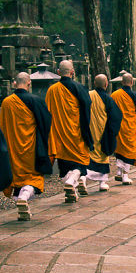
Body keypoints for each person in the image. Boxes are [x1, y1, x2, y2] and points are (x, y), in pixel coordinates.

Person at [0, 72, 52, 220]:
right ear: (29, 83)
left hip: (13, 149)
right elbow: (46, 122)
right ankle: (24, 196)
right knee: (33, 178)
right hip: (31, 148)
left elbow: (2, 126)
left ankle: (22, 203)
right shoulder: (36, 100)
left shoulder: (6, 102)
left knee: (17, 179)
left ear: (14, 83)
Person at [45, 59, 93, 202]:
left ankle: (70, 192)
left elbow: (47, 112)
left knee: (64, 166)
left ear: (58, 72)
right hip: (76, 134)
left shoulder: (52, 90)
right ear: (72, 72)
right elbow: (87, 109)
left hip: (59, 135)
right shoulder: (79, 88)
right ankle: (71, 182)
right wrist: (87, 133)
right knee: (80, 163)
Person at [87, 73, 123, 191]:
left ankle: (82, 180)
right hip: (103, 134)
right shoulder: (108, 99)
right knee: (102, 157)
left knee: (87, 157)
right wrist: (112, 132)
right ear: (106, 84)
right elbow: (116, 117)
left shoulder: (88, 95)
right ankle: (102, 183)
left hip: (89, 133)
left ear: (94, 83)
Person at [110, 72, 136, 184]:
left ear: (122, 82)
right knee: (129, 150)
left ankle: (119, 171)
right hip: (131, 127)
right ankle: (125, 175)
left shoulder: (114, 95)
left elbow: (110, 110)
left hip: (118, 126)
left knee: (119, 149)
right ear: (132, 82)